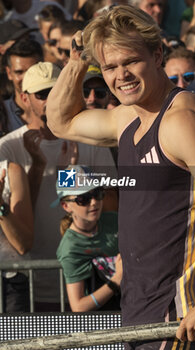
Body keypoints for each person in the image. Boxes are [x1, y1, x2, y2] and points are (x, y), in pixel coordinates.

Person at [46, 5, 195, 349]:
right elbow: (60, 122)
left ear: (157, 55)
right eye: (110, 67)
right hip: (141, 312)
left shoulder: (183, 119)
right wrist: (80, 59)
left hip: (181, 316)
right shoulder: (127, 118)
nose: (121, 75)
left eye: (130, 62)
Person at [0, 61, 117, 311]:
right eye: (42, 94)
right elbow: (23, 224)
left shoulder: (90, 138)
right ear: (24, 98)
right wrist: (45, 169)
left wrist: (69, 176)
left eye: (56, 90)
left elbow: (110, 211)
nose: (50, 99)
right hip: (28, 287)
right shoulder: (8, 147)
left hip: (88, 284)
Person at [53, 165, 122, 312]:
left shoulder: (114, 220)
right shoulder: (70, 247)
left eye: (97, 193)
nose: (94, 202)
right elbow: (78, 306)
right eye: (83, 199)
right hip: (101, 323)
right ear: (66, 206)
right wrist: (117, 280)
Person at [0, 160, 34, 312]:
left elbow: (24, 244)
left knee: (16, 337)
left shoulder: (11, 171)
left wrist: (0, 204)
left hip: (11, 283)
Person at [3, 38, 43, 132]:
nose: (26, 78)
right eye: (19, 72)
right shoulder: (2, 114)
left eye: (32, 70)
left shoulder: (57, 110)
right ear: (9, 73)